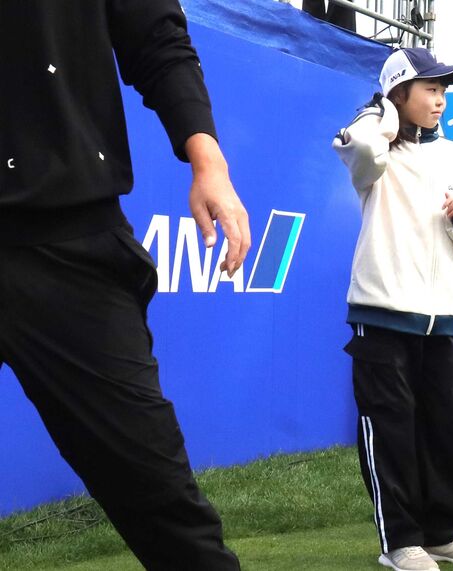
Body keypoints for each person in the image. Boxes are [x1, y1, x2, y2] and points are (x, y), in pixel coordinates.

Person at [0, 2, 250, 568]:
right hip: (64, 234)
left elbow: (157, 40)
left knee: (164, 506)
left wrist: (209, 163)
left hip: (68, 237)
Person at [332, 47, 453, 571]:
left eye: (444, 90)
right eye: (430, 88)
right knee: (391, 431)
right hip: (380, 312)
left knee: (448, 427)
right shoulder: (373, 149)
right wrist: (381, 111)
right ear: (399, 94)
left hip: (445, 315)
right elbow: (360, 145)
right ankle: (400, 542)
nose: (441, 99)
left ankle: (443, 533)